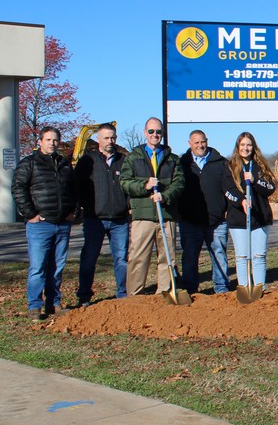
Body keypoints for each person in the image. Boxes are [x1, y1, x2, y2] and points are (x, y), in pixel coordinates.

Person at [12, 126, 77, 320]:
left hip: (62, 224)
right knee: (38, 267)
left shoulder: (65, 164)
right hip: (40, 224)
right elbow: (18, 189)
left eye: (55, 140)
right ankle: (35, 306)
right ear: (40, 142)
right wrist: (30, 214)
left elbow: (74, 190)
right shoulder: (29, 163)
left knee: (57, 266)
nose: (52, 143)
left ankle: (53, 303)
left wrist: (73, 211)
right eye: (48, 140)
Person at [120, 117, 184, 297]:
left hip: (166, 215)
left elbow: (179, 184)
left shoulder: (172, 159)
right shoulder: (133, 158)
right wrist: (145, 186)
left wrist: (165, 196)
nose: (155, 135)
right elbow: (125, 182)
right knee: (138, 257)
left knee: (167, 258)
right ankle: (135, 294)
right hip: (143, 216)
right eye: (151, 131)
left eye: (158, 132)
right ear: (145, 133)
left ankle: (164, 292)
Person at [74, 123, 128, 306]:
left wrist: (127, 206)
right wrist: (84, 206)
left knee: (121, 259)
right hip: (94, 219)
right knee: (89, 258)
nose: (110, 141)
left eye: (113, 137)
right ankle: (84, 295)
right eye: (106, 138)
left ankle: (123, 293)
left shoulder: (123, 161)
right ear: (98, 139)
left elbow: (129, 186)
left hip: (120, 220)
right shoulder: (88, 161)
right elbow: (77, 186)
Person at [177, 130, 230, 295]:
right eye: (196, 143)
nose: (200, 145)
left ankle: (221, 288)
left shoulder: (221, 162)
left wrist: (227, 209)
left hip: (217, 220)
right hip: (190, 220)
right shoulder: (182, 164)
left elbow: (229, 187)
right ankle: (190, 289)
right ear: (189, 144)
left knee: (219, 255)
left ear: (207, 141)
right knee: (190, 256)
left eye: (202, 142)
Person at [223, 132, 276, 289]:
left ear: (253, 147)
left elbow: (271, 188)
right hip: (238, 219)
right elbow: (227, 189)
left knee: (259, 256)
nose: (245, 148)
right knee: (242, 256)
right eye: (243, 145)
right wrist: (242, 201)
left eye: (249, 145)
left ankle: (260, 287)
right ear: (237, 147)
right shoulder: (230, 167)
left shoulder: (260, 166)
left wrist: (255, 181)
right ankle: (244, 288)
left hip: (260, 218)